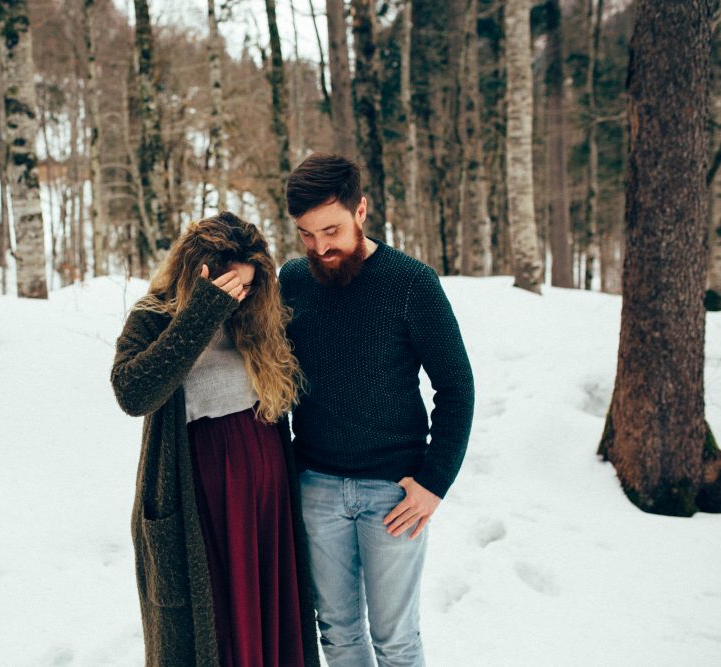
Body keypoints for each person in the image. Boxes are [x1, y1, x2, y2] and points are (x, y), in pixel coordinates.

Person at [279, 153, 475, 666]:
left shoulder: (411, 283)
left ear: (361, 210)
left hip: (393, 493)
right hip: (316, 486)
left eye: (331, 230)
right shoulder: (293, 282)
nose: (320, 247)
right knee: (338, 637)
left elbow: (456, 387)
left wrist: (434, 483)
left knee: (396, 640)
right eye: (305, 234)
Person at [111, 212, 320, 667]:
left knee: (270, 616)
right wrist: (200, 314)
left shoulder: (258, 316)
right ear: (197, 273)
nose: (238, 297)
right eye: (229, 287)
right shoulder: (154, 318)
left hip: (266, 495)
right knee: (217, 629)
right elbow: (132, 393)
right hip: (201, 495)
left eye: (246, 286)